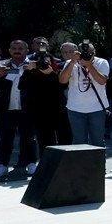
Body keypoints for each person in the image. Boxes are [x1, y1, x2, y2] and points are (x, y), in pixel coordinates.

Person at [0, 39, 35, 179]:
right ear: (9, 50)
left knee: (28, 137)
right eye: (14, 48)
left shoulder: (34, 65)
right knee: (6, 138)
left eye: (20, 48)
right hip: (6, 109)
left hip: (27, 108)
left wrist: (34, 72)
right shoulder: (0, 65)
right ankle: (2, 166)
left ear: (27, 50)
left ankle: (32, 163)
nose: (17, 50)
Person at [21, 37, 64, 171]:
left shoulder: (56, 62)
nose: (40, 45)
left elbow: (61, 85)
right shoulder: (27, 61)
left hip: (51, 105)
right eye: (37, 43)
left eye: (43, 44)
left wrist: (51, 73)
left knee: (49, 136)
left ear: (48, 46)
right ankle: (31, 163)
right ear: (32, 45)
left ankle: (49, 163)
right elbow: (21, 85)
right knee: (30, 136)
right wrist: (29, 70)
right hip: (32, 104)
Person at [59, 39, 110, 146]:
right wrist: (73, 61)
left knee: (98, 142)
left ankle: (98, 163)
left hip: (97, 109)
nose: (86, 55)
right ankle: (80, 163)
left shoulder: (102, 62)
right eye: (84, 53)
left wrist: (89, 65)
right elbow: (62, 80)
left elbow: (102, 81)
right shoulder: (70, 63)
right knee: (78, 142)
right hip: (75, 109)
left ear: (94, 52)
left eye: (89, 53)